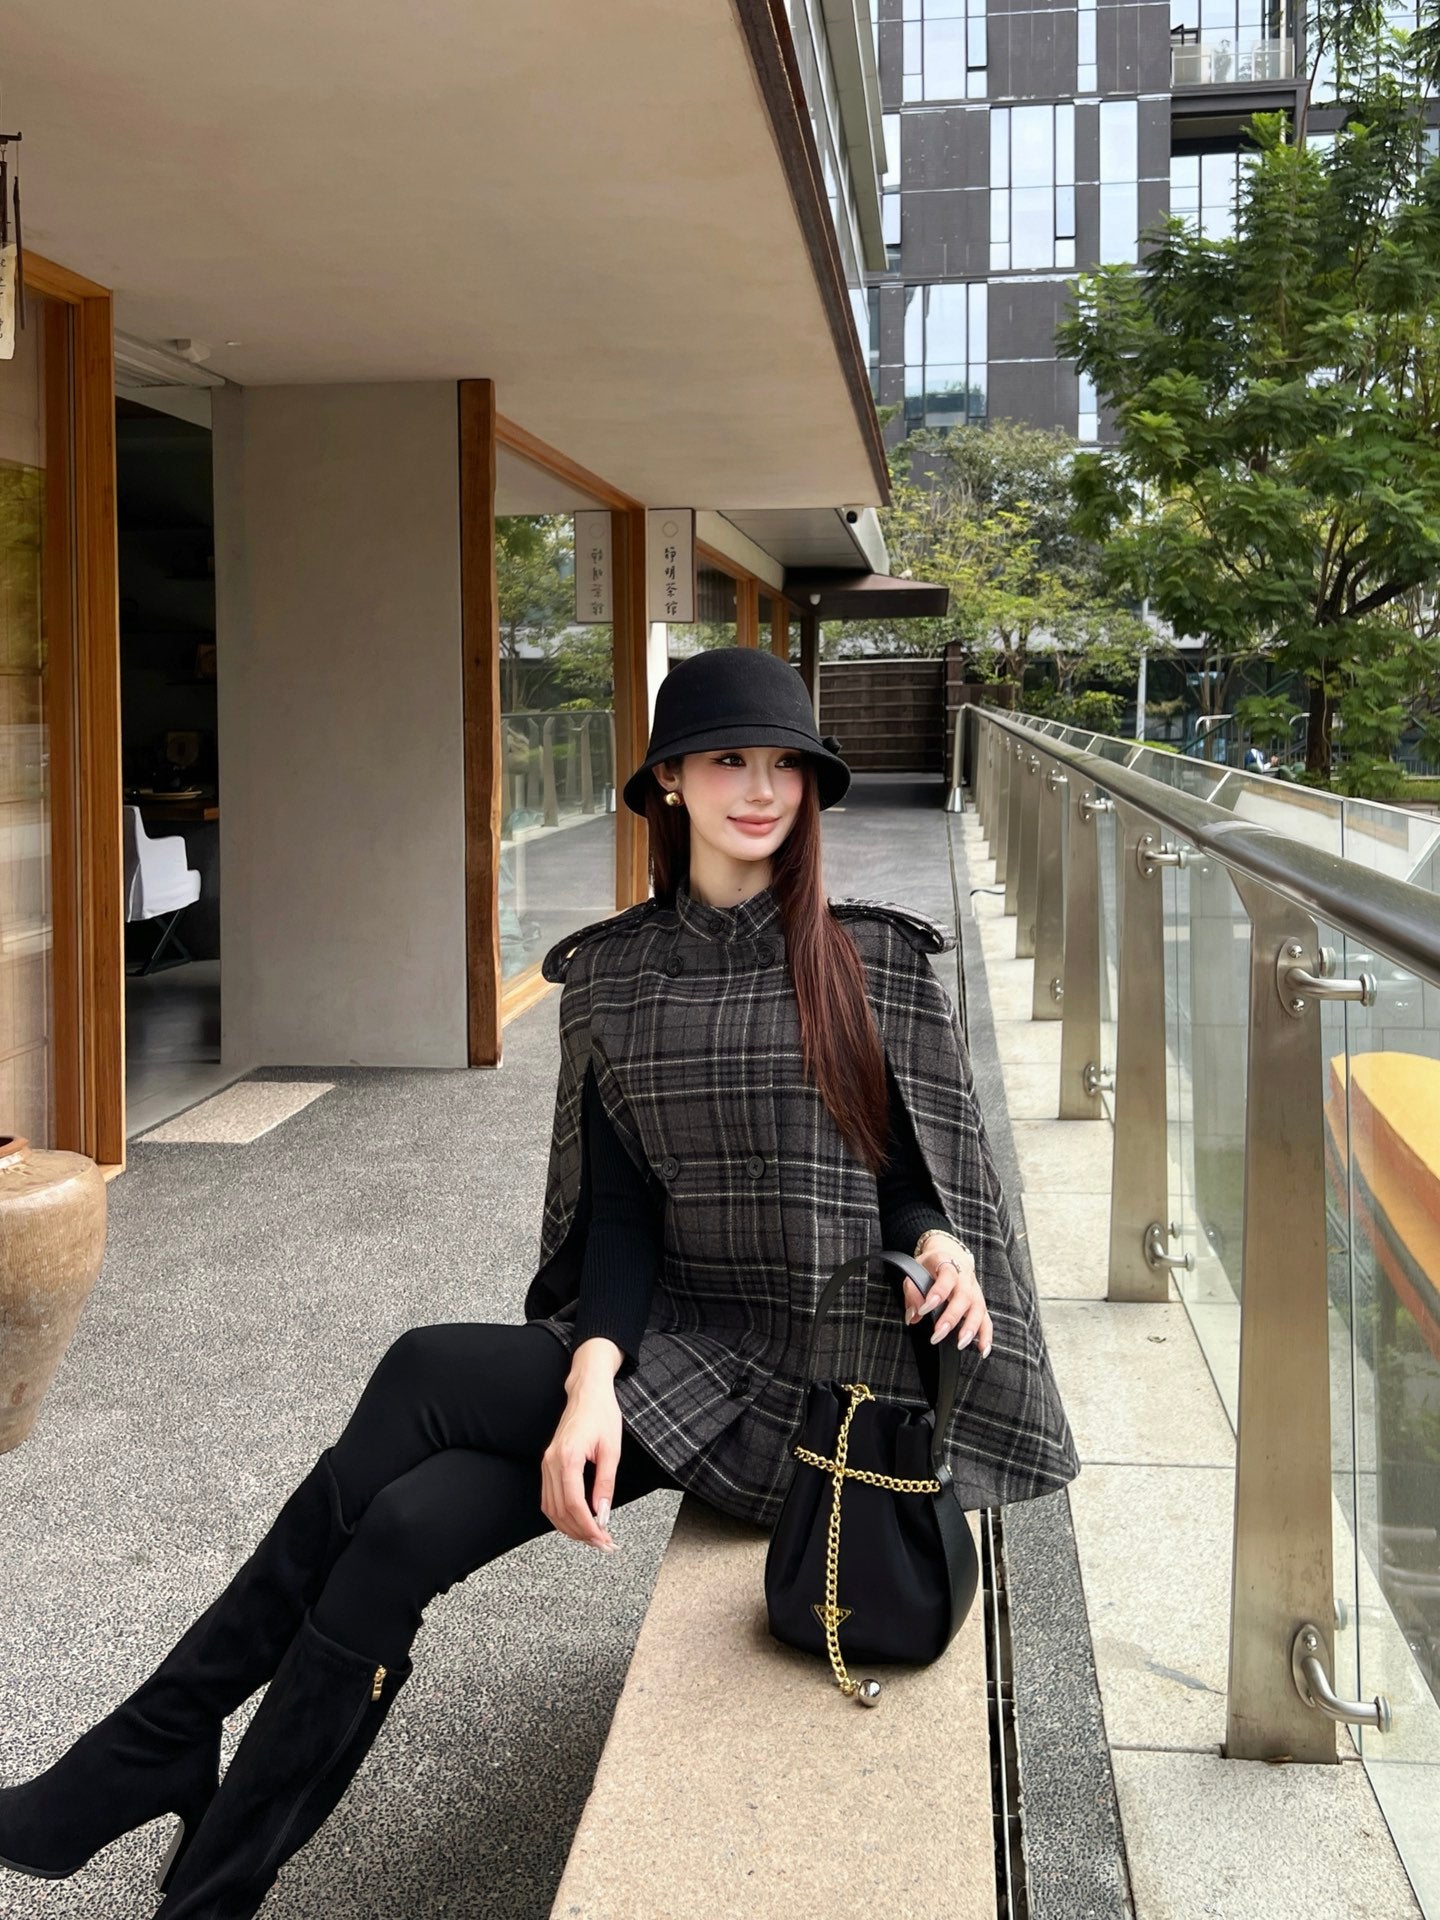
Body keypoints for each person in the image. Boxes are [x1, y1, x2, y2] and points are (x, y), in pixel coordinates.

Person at [0, 646, 1078, 1916]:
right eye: (728, 760)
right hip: (677, 1352)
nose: (760, 790)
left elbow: (914, 1174)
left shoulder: (871, 959)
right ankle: (210, 1883)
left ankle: (149, 1747)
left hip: (810, 1387)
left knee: (422, 1368)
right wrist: (594, 1376)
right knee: (402, 1531)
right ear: (669, 781)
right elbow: (617, 1221)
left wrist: (945, 1243)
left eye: (785, 766)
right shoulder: (612, 978)